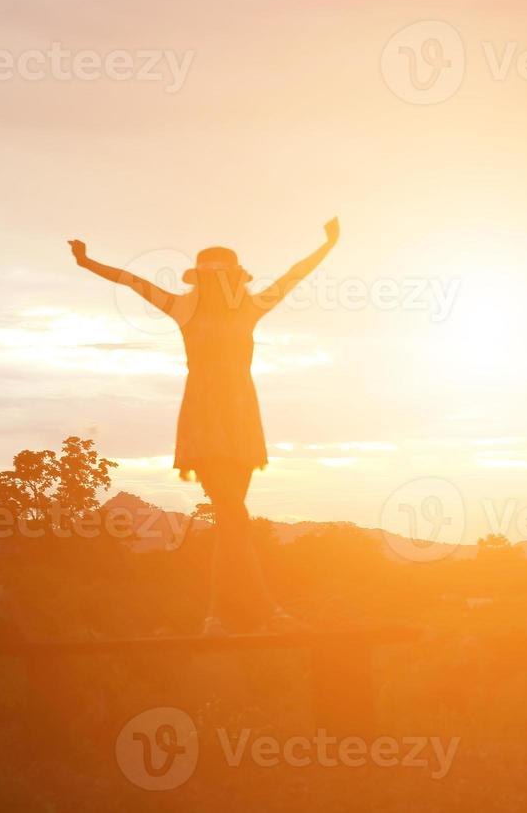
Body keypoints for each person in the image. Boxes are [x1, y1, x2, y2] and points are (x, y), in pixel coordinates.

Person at [69, 219, 340, 633]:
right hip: (203, 421)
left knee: (232, 525)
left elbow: (294, 276)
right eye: (212, 278)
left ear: (234, 279)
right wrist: (87, 262)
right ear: (201, 280)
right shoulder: (185, 307)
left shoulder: (250, 307)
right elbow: (131, 281)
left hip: (243, 419)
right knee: (234, 518)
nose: (218, 284)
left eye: (224, 277)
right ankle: (268, 612)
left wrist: (328, 246)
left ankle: (216, 617)